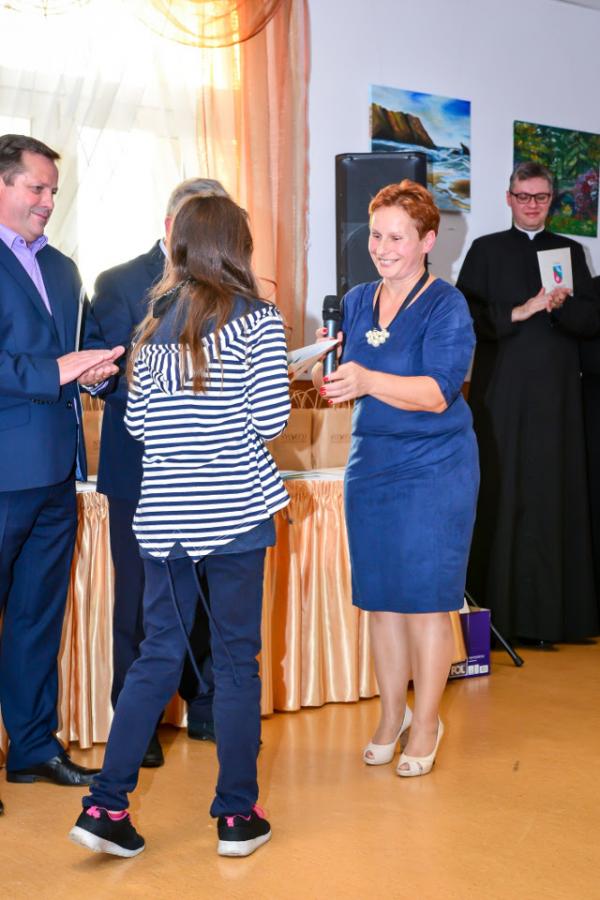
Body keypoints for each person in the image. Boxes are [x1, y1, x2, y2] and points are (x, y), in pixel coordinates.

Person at [69, 194, 290, 857]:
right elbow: (271, 419)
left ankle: (106, 806)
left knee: (156, 656)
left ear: (181, 246)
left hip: (164, 517)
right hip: (234, 515)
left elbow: (138, 425)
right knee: (236, 662)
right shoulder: (259, 319)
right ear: (237, 246)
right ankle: (236, 817)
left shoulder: (153, 324)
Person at [314, 180, 478, 777]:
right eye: (376, 236)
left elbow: (437, 393)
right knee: (381, 602)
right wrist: (332, 373)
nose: (382, 248)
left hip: (435, 467)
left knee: (426, 605)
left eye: (397, 238)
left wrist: (365, 378)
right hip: (372, 464)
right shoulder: (357, 299)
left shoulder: (447, 306)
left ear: (428, 241)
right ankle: (391, 716)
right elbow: (350, 378)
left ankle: (427, 722)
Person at [0, 134, 124, 812]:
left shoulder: (64, 267)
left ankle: (32, 748)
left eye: (53, 189)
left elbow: (76, 356)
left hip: (57, 475)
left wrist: (97, 374)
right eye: (36, 188)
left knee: (37, 617)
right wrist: (56, 370)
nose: (49, 200)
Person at [92, 178, 229, 767]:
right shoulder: (119, 281)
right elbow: (104, 374)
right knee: (139, 599)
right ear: (173, 224)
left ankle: (206, 705)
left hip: (211, 471)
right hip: (139, 469)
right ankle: (138, 721)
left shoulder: (227, 285)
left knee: (209, 591)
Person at [457, 161, 599, 647]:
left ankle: (552, 620)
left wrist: (562, 307)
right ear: (509, 198)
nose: (532, 205)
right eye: (524, 196)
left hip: (558, 400)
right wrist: (519, 311)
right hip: (502, 395)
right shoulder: (486, 250)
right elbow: (465, 316)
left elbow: (591, 321)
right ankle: (498, 621)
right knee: (502, 495)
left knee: (552, 497)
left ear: (551, 200)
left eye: (541, 197)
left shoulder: (571, 251)